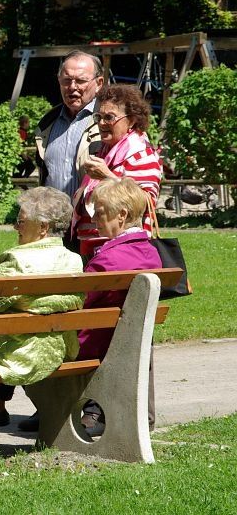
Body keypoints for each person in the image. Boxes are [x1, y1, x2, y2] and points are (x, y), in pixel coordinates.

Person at [0, 187, 84, 430]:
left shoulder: (16, 261)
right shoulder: (74, 259)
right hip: (62, 348)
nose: (16, 227)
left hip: (20, 354)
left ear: (43, 227)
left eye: (21, 222)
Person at [76, 177, 161, 436]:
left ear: (122, 214)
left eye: (100, 212)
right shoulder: (151, 253)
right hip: (134, 342)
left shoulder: (108, 261)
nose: (95, 219)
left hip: (96, 343)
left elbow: (80, 302)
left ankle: (61, 412)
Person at [71, 84, 162, 258]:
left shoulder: (140, 155)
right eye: (99, 117)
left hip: (122, 251)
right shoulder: (104, 151)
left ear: (132, 120)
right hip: (94, 247)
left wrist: (107, 176)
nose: (102, 123)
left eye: (109, 117)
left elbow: (145, 203)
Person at [35, 50, 104, 243]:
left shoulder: (109, 122)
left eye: (81, 81)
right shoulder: (47, 123)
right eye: (66, 80)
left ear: (98, 83)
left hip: (94, 227)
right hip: (52, 230)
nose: (72, 87)